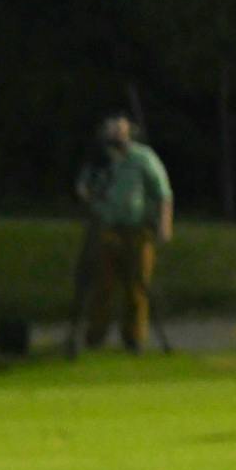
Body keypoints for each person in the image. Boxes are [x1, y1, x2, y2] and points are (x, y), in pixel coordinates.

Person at [75, 113, 173, 352]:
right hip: (105, 227)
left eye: (120, 129)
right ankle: (95, 337)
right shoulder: (100, 160)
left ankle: (134, 338)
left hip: (137, 228)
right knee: (102, 284)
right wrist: (91, 198)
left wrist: (164, 224)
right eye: (111, 130)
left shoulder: (143, 158)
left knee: (137, 285)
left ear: (129, 132)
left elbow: (163, 193)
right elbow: (82, 187)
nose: (115, 134)